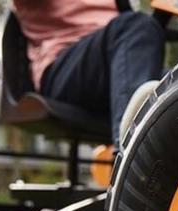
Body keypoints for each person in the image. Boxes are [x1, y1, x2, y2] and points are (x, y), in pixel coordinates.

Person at [11, 0, 166, 146]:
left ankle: (172, 169)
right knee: (137, 26)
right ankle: (132, 156)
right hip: (63, 67)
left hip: (118, 58)